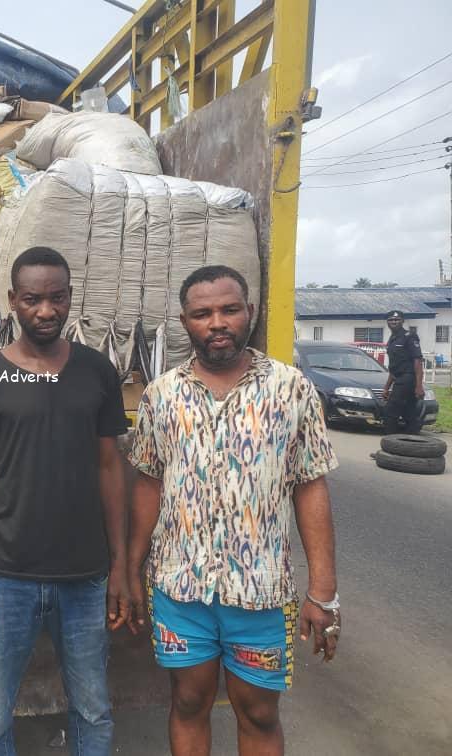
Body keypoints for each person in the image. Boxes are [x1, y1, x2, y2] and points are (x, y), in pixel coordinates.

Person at [127, 264, 341, 756]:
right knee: (188, 702)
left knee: (259, 713)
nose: (217, 322)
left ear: (251, 312)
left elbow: (310, 487)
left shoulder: (291, 389)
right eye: (203, 313)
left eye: (229, 309)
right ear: (185, 322)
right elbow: (149, 484)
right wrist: (130, 570)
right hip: (179, 589)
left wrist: (323, 591)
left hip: (261, 592)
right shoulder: (161, 395)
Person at [0, 246, 130, 756]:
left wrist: (119, 568)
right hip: (6, 577)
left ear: (71, 297)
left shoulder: (97, 371)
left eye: (57, 298)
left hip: (86, 578)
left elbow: (110, 469)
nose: (46, 311)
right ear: (12, 300)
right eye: (32, 299)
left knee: (93, 711)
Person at [382, 310, 425, 434]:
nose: (393, 322)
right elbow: (394, 367)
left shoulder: (409, 336)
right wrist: (386, 388)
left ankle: (390, 442)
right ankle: (412, 440)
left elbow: (417, 361)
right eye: (391, 320)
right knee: (409, 413)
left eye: (397, 319)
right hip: (399, 378)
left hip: (407, 379)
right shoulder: (392, 339)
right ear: (387, 322)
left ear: (402, 321)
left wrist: (419, 386)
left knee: (390, 412)